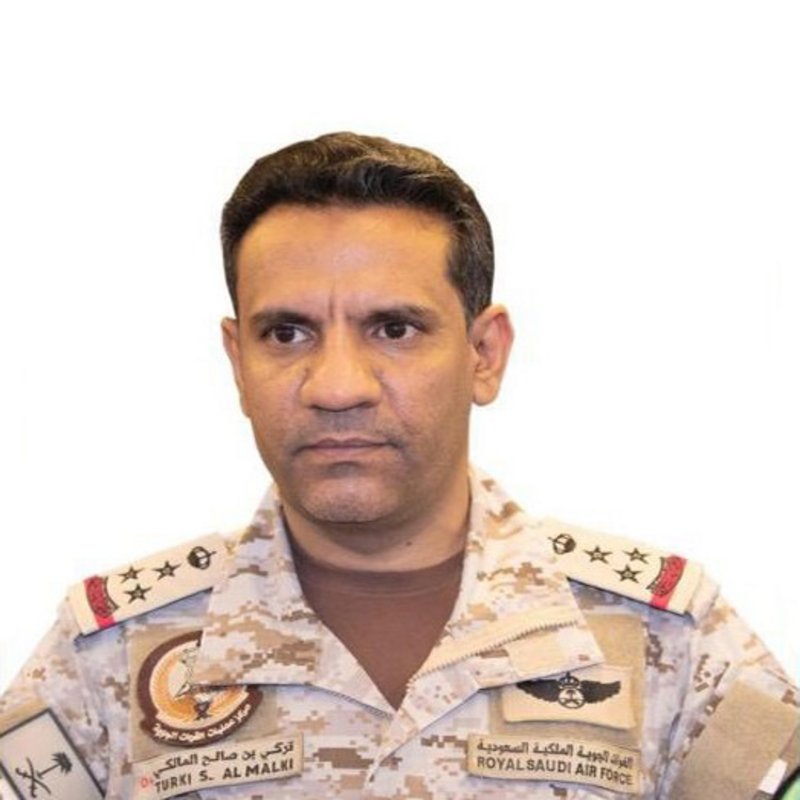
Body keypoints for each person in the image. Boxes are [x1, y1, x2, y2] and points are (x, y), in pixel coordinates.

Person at [0, 133, 796, 800]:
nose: (337, 385)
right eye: (287, 333)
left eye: (393, 329)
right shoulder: (111, 655)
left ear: (484, 354)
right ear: (238, 362)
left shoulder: (665, 638)